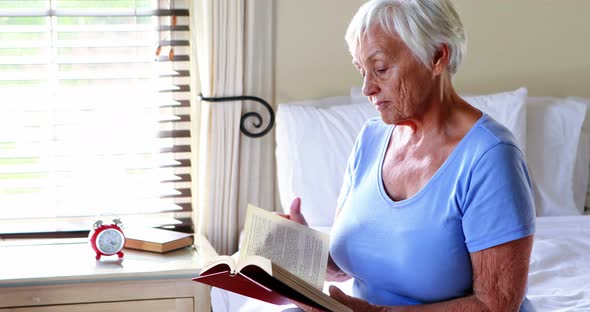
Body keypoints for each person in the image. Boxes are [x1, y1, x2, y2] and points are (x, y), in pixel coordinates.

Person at [281, 0, 536, 311]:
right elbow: (354, 263)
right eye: (361, 70)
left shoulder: (491, 158)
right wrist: (303, 249)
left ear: (437, 56)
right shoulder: (371, 138)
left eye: (381, 68)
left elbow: (496, 305)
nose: (367, 88)